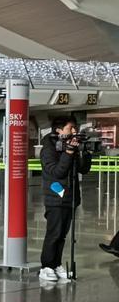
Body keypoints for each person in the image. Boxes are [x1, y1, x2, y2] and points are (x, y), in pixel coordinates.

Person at [39, 117, 93, 282]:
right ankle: (46, 267)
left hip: (70, 197)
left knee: (62, 234)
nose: (74, 132)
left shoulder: (71, 146)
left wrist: (86, 152)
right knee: (54, 233)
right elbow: (57, 172)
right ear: (59, 130)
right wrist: (68, 153)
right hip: (55, 196)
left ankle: (56, 264)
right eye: (71, 128)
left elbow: (83, 169)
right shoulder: (48, 149)